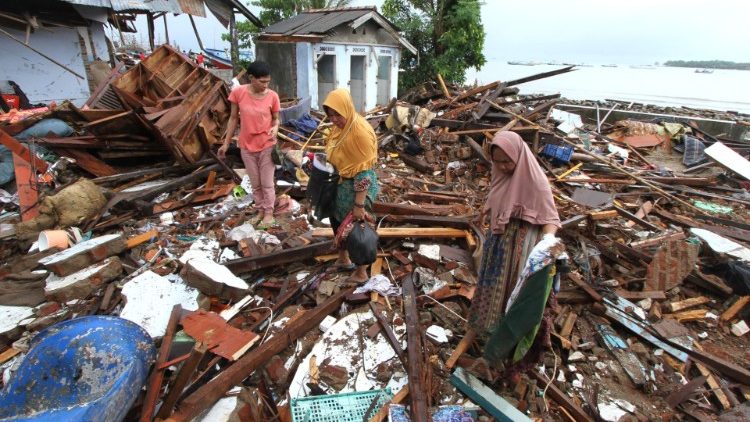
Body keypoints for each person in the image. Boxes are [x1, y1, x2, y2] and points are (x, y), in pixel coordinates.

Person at [467, 131, 563, 368]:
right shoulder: (500, 172)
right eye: (497, 161)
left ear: (519, 157)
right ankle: (486, 328)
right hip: (498, 243)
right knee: (491, 286)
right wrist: (487, 208)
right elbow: (499, 192)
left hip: (518, 246)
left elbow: (550, 217)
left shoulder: (535, 181)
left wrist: (548, 241)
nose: (502, 166)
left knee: (511, 291)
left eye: (507, 161)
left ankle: (504, 343)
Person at [322, 88, 379, 283]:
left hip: (358, 187)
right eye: (330, 116)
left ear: (347, 108)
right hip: (341, 182)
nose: (334, 119)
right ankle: (343, 258)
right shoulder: (340, 129)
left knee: (357, 228)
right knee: (338, 221)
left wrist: (359, 205)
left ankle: (362, 271)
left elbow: (363, 172)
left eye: (338, 114)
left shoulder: (359, 133)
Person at [218, 61, 280, 228]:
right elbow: (233, 118)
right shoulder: (238, 93)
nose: (265, 85)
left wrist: (275, 128)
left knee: (267, 182)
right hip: (246, 145)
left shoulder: (273, 96)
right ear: (251, 78)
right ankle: (260, 210)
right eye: (262, 81)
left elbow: (276, 119)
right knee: (255, 182)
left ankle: (268, 213)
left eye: (268, 81)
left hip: (267, 144)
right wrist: (225, 143)